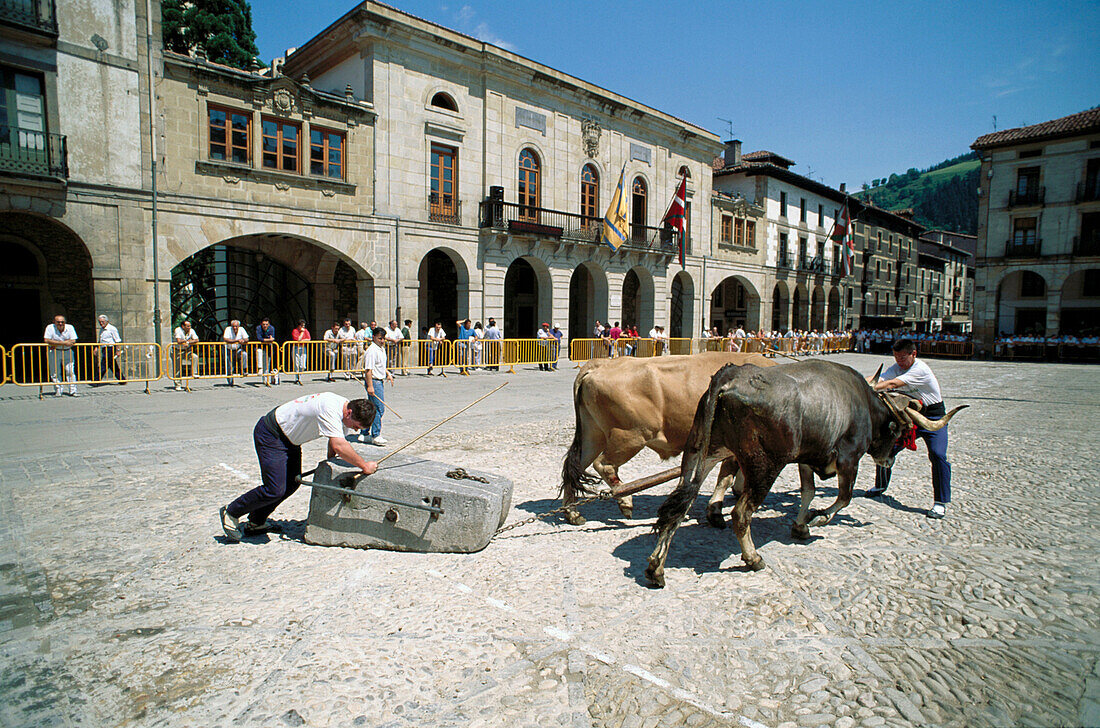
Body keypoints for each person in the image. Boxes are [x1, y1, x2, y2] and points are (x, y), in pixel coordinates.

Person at [220, 393, 378, 542]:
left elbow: (335, 441)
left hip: (290, 440)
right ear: (349, 412)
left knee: (293, 483)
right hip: (272, 434)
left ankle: (256, 522)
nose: (355, 430)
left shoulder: (344, 409)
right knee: (274, 489)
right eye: (356, 426)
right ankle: (232, 511)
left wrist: (331, 460)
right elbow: (339, 445)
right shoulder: (330, 408)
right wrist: (364, 466)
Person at [864, 338, 955, 519]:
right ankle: (881, 485)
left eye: (903, 358)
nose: (899, 362)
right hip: (908, 415)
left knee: (938, 454)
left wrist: (864, 388)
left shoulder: (920, 370)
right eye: (896, 357)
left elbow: (891, 385)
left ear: (914, 354)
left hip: (932, 416)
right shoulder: (897, 368)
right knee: (886, 447)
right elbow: (878, 379)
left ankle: (940, 502)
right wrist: (855, 382)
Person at [361, 326, 395, 445]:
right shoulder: (372, 350)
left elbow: (380, 365)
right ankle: (376, 435)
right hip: (374, 381)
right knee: (378, 408)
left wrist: (387, 373)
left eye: (383, 338)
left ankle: (364, 432)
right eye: (380, 338)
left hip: (380, 380)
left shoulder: (381, 348)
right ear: (374, 337)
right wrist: (370, 386)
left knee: (371, 408)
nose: (382, 341)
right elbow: (368, 370)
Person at [44, 314, 78, 397]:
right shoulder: (50, 327)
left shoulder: (70, 327)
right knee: (55, 372)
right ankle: (58, 390)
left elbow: (73, 340)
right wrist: (64, 342)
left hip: (67, 351)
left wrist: (55, 342)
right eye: (58, 322)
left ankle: (73, 390)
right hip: (54, 351)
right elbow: (46, 340)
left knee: (70, 371)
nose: (60, 324)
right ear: (54, 322)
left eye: (62, 322)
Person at [96, 315, 125, 385]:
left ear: (107, 321)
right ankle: (122, 379)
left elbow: (117, 340)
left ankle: (96, 380)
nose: (101, 323)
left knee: (104, 364)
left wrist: (118, 350)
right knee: (112, 365)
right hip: (104, 348)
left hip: (110, 348)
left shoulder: (112, 328)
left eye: (102, 322)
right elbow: (100, 340)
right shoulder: (102, 329)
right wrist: (96, 347)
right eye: (100, 322)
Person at [173, 319, 200, 390]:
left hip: (187, 350)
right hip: (177, 350)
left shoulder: (192, 330)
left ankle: (194, 373)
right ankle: (178, 384)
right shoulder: (178, 330)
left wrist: (188, 343)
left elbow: (197, 340)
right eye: (187, 326)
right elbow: (179, 341)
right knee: (177, 367)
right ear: (183, 326)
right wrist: (187, 341)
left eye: (190, 326)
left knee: (194, 357)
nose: (189, 327)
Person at [223, 319, 249, 385]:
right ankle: (230, 381)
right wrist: (237, 340)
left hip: (238, 348)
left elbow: (247, 338)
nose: (235, 328)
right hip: (229, 348)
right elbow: (226, 339)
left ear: (239, 326)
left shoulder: (242, 329)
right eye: (233, 326)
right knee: (229, 364)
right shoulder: (228, 329)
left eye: (236, 326)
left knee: (244, 354)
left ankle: (243, 370)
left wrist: (244, 340)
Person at [256, 317, 278, 387]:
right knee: (259, 354)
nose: (265, 326)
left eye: (266, 324)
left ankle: (265, 379)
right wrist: (268, 340)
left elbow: (272, 338)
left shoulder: (271, 328)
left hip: (268, 347)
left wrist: (267, 340)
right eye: (263, 324)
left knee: (267, 363)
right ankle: (260, 368)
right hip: (260, 346)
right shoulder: (258, 328)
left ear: (269, 324)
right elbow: (259, 338)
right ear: (261, 324)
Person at [290, 319, 310, 385]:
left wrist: (302, 340)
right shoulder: (295, 331)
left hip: (303, 348)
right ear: (298, 326)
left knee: (303, 365)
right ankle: (297, 378)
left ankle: (300, 376)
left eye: (304, 326)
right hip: (296, 348)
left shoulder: (306, 330)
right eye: (301, 326)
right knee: (296, 364)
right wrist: (301, 333)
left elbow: (309, 339)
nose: (303, 327)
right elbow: (297, 340)